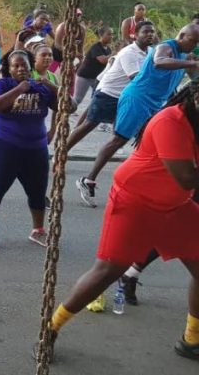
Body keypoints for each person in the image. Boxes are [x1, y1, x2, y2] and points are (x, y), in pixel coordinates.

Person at [41, 82, 199, 363]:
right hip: (135, 202)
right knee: (107, 272)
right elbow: (187, 177)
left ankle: (192, 339)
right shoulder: (170, 121)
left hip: (175, 205)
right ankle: (50, 330)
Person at [77, 24, 199, 206]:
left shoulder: (186, 56)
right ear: (181, 35)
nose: (195, 45)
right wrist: (192, 63)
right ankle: (88, 180)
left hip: (156, 102)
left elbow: (193, 76)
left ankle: (146, 184)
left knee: (150, 144)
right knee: (118, 140)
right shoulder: (166, 47)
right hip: (138, 98)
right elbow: (159, 61)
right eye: (193, 40)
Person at [0, 49, 56, 253]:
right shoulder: (3, 84)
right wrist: (20, 89)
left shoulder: (41, 87)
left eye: (24, 65)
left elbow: (69, 107)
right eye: (16, 65)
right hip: (3, 145)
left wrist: (51, 86)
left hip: (35, 148)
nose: (21, 68)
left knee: (37, 191)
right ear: (9, 69)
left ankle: (38, 230)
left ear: (31, 66)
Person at [68, 22, 156, 205]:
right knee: (88, 125)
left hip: (127, 99)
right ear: (135, 35)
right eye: (145, 31)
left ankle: (93, 180)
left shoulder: (150, 53)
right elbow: (138, 79)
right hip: (110, 94)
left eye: (152, 32)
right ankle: (62, 154)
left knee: (122, 137)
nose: (150, 34)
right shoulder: (129, 53)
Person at [74, 28, 114, 106]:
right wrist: (116, 53)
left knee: (97, 98)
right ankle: (65, 111)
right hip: (85, 76)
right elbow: (103, 60)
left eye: (112, 34)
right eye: (109, 34)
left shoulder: (108, 49)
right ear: (101, 35)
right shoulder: (96, 47)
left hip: (96, 78)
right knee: (78, 99)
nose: (111, 36)